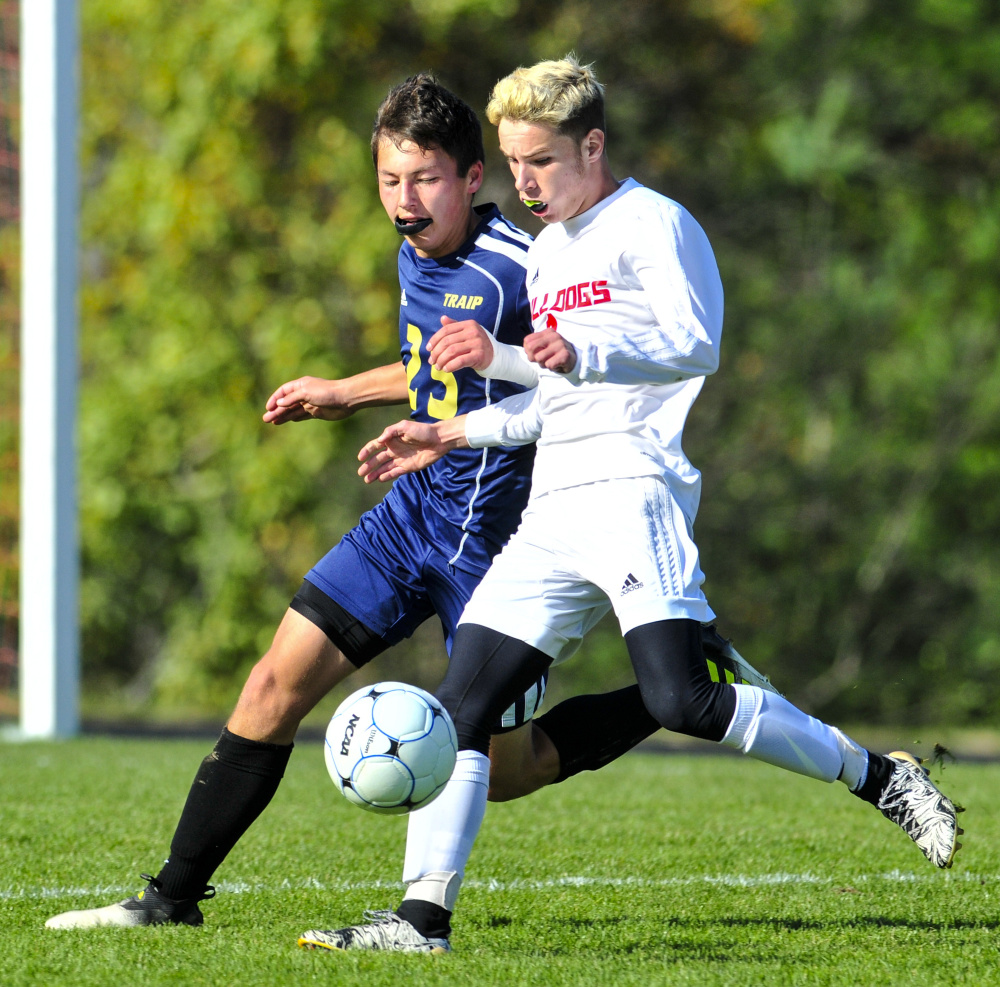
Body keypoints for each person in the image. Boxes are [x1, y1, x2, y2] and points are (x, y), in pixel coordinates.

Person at [45, 73, 772, 932]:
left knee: (508, 766)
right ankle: (168, 900)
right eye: (390, 180)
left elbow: (576, 366)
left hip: (496, 540)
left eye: (424, 180)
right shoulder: (413, 251)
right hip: (412, 513)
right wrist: (346, 391)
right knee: (274, 681)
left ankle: (680, 685)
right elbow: (435, 365)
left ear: (473, 178)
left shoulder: (526, 267)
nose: (404, 202)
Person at [299, 56, 963, 956]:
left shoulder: (655, 223)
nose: (525, 183)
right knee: (465, 703)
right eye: (513, 163)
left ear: (593, 144)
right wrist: (457, 427)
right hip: (554, 502)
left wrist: (579, 354)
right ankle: (421, 921)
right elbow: (551, 394)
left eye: (541, 160)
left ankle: (880, 775)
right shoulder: (553, 250)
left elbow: (699, 343)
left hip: (633, 486)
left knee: (683, 698)